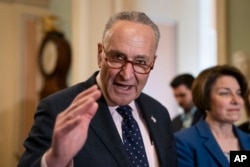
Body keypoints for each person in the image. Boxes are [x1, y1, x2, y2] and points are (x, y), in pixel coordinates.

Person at [17, 11, 177, 167]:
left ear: (153, 62)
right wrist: (55, 159)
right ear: (100, 54)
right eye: (118, 57)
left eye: (140, 61)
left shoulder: (160, 113)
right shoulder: (59, 108)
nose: (127, 75)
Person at [174, 65, 250, 167]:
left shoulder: (247, 139)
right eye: (225, 93)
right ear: (205, 98)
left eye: (239, 93)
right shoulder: (184, 142)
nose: (236, 101)